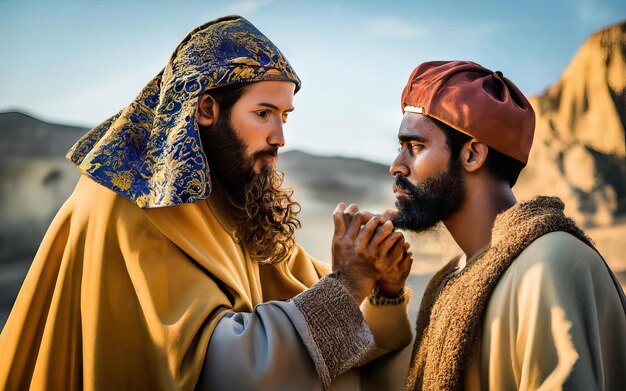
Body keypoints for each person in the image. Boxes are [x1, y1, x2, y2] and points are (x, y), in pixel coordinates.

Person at [0, 16, 414, 390]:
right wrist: (348, 285)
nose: (279, 137)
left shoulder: (234, 197)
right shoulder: (130, 206)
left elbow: (313, 299)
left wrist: (383, 286)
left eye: (284, 116)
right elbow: (214, 370)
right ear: (207, 109)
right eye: (263, 113)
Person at [383, 61, 626, 390]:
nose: (396, 166)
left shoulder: (550, 266)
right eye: (401, 149)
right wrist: (385, 294)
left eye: (415, 147)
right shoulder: (453, 278)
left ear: (472, 156)